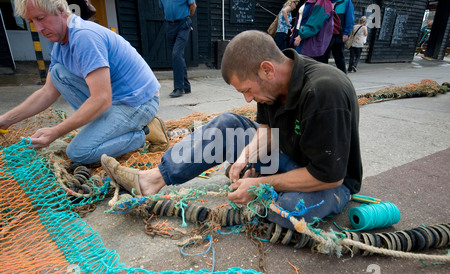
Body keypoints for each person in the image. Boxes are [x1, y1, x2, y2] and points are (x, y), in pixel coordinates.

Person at [102, 30, 362, 230]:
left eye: (248, 90)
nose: (248, 99)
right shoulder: (275, 84)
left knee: (284, 210)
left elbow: (329, 176)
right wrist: (245, 157)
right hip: (290, 160)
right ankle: (151, 180)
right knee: (227, 124)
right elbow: (267, 128)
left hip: (328, 181)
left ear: (267, 70)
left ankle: (269, 189)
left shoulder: (324, 92)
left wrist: (260, 182)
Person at [0, 0, 163, 165]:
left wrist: (55, 132)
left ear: (61, 10)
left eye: (41, 18)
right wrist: (5, 120)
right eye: (31, 22)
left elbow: (102, 98)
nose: (39, 28)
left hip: (139, 103)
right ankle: (109, 127)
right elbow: (47, 93)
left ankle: (144, 133)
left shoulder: (84, 36)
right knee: (58, 73)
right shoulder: (59, 43)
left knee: (78, 153)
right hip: (114, 100)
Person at [159, 0, 197, 98]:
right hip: (169, 25)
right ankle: (186, 86)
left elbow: (193, 6)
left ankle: (178, 88)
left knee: (176, 54)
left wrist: (188, 20)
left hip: (183, 24)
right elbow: (163, 8)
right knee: (178, 56)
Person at [324, 0, 354, 73]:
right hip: (325, 34)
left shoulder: (346, 2)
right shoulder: (325, 1)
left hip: (339, 34)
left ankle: (343, 76)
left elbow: (350, 17)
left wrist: (346, 33)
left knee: (338, 56)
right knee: (324, 56)